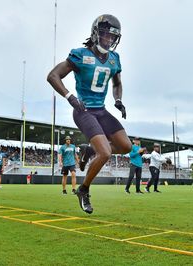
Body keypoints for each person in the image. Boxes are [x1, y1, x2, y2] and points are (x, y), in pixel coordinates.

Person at [47, 14, 132, 214]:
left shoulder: (114, 59)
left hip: (101, 110)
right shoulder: (80, 55)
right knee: (106, 152)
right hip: (83, 110)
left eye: (113, 37)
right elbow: (53, 76)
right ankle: (83, 190)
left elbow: (117, 82)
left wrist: (118, 100)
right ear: (96, 33)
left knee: (126, 146)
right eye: (105, 35)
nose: (109, 40)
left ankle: (89, 150)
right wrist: (69, 96)